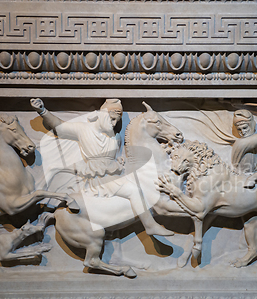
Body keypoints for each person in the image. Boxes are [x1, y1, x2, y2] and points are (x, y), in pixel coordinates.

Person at [31, 98, 174, 237]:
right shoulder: (83, 129)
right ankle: (150, 226)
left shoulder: (114, 136)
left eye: (116, 120)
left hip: (113, 175)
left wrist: (119, 160)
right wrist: (42, 111)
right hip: (98, 177)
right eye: (111, 119)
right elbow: (59, 126)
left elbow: (113, 156)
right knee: (134, 190)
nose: (114, 123)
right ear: (102, 115)